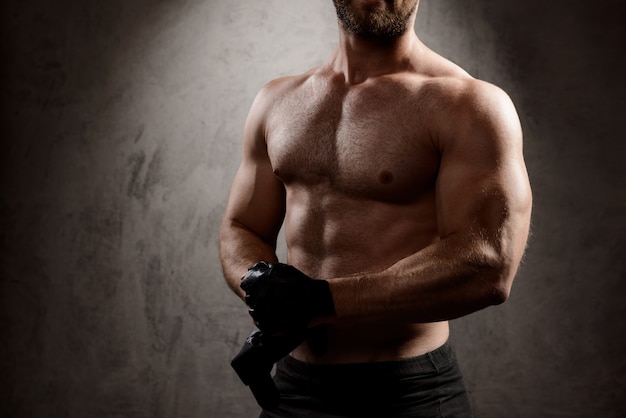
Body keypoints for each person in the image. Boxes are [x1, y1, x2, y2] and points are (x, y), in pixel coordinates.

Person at [220, 0, 532, 416]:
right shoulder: (277, 101)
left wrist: (319, 301)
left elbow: (488, 264)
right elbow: (241, 226)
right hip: (292, 388)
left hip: (407, 394)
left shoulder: (467, 105)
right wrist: (260, 286)